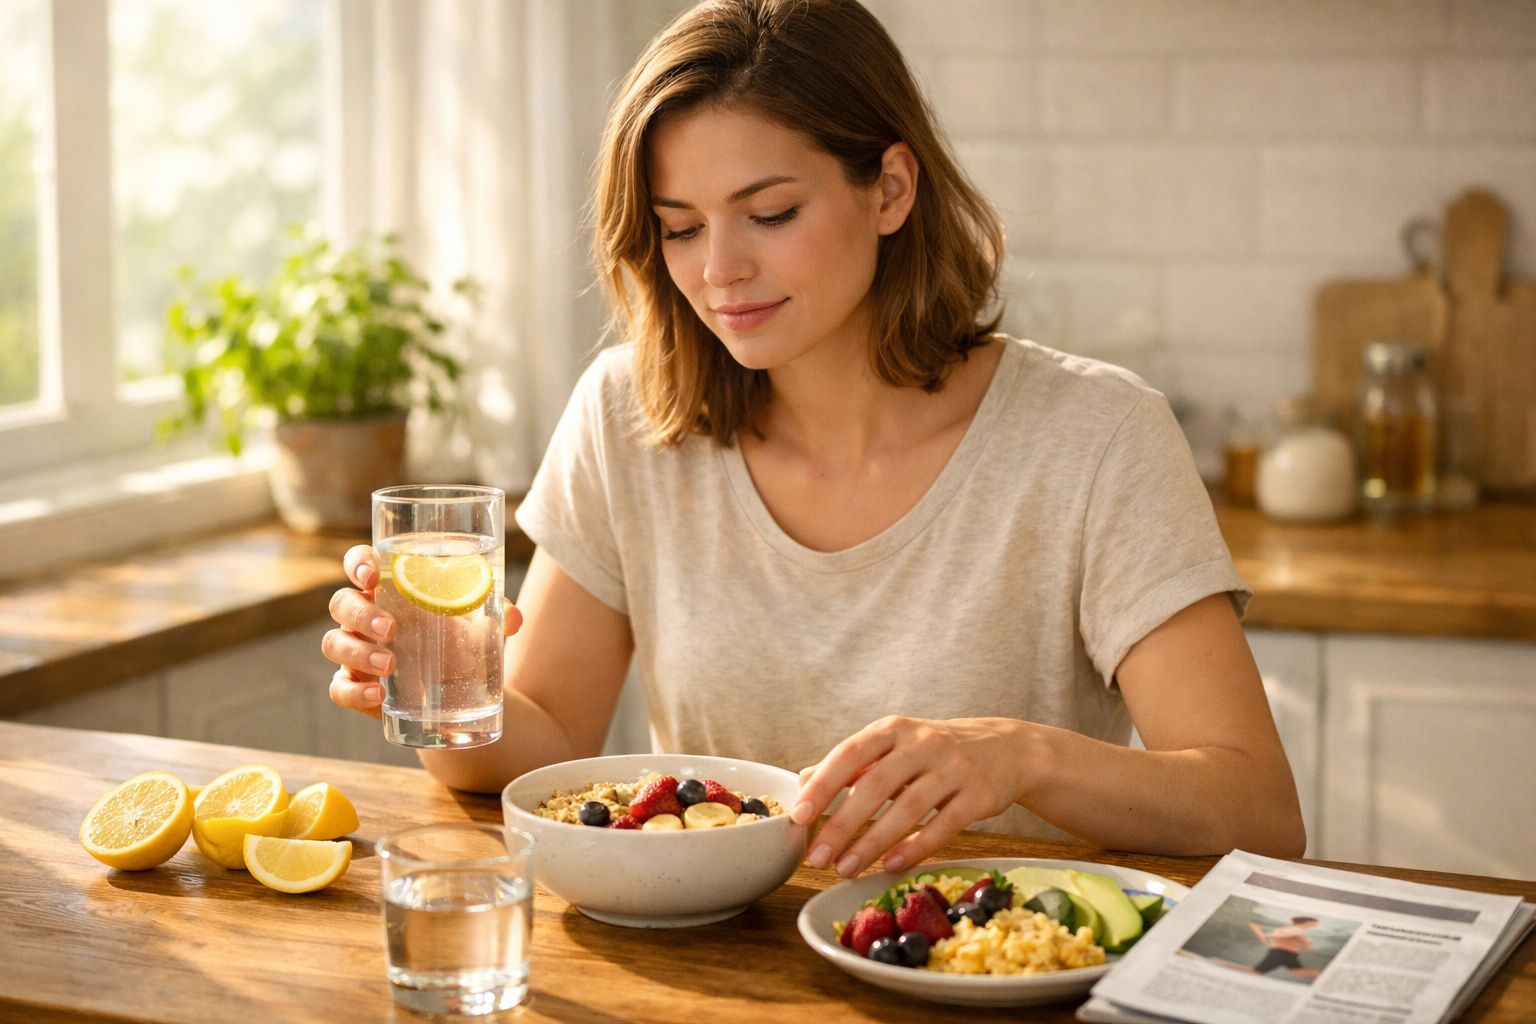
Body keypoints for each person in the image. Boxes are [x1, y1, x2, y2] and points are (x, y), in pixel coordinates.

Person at [322, 0, 1305, 879]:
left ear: (890, 188)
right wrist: (434, 681)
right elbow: (539, 753)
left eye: (771, 213)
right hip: (721, 969)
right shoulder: (628, 415)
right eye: (680, 228)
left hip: (988, 970)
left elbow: (1256, 811)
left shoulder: (1097, 436)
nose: (720, 272)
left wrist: (1021, 754)